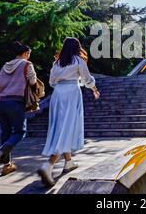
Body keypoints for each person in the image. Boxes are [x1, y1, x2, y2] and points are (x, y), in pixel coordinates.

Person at [38, 37, 100, 186]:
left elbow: (51, 82)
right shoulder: (78, 61)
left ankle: (68, 163)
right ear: (77, 47)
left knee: (61, 128)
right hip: (72, 92)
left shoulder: (57, 62)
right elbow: (86, 79)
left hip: (58, 94)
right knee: (68, 129)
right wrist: (94, 90)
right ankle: (48, 165)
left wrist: (61, 85)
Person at [0, 41, 37, 176]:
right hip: (16, 103)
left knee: (6, 135)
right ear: (25, 53)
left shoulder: (6, 65)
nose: (29, 57)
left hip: (2, 104)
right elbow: (33, 81)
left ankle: (6, 165)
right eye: (28, 54)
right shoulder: (27, 64)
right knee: (20, 132)